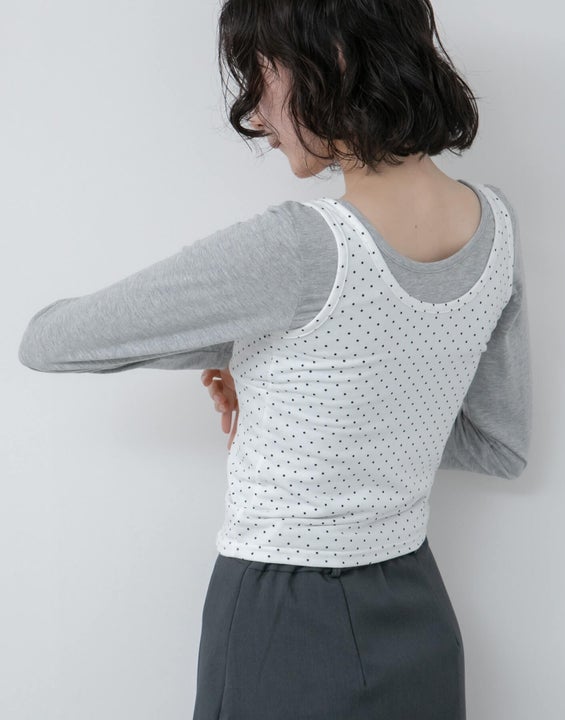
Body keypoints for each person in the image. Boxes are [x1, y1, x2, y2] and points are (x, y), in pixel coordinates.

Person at [18, 1, 532, 718]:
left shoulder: (297, 249)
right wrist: (284, 378)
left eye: (260, 75)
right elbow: (498, 444)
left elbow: (48, 340)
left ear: (333, 59)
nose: (256, 114)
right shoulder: (497, 227)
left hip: (283, 620)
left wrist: (266, 367)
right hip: (419, 614)